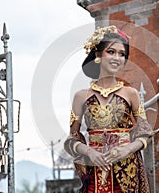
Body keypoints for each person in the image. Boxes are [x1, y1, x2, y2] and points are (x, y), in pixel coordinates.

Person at [64, 25, 153, 193]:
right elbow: (71, 140)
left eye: (122, 54)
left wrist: (127, 149)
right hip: (95, 170)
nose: (117, 58)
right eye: (111, 52)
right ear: (98, 55)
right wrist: (90, 153)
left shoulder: (131, 94)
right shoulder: (81, 96)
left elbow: (145, 133)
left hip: (127, 172)